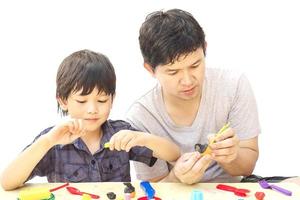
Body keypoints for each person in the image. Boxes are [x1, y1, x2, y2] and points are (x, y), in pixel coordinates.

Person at [0, 49, 180, 191]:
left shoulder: (121, 133)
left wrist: (141, 138)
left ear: (112, 99)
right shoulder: (52, 140)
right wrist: (47, 142)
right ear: (63, 101)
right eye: (82, 101)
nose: (93, 109)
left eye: (102, 100)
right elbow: (7, 182)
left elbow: (173, 155)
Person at [126, 9, 260, 184]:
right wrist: (176, 177)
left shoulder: (233, 85)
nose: (188, 81)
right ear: (150, 69)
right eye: (173, 72)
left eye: (195, 65)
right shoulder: (141, 116)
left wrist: (231, 156)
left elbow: (247, 167)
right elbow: (154, 189)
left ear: (204, 49)